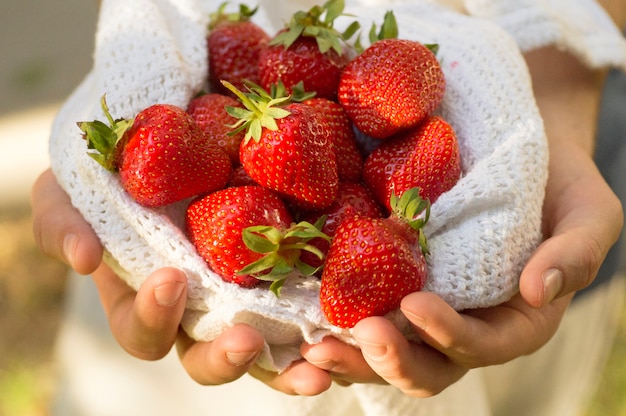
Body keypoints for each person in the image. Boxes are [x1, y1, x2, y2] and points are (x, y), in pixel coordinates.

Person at [31, 0, 626, 414]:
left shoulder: (375, 136)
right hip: (189, 280)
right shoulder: (221, 134)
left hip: (529, 191)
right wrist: (89, 166)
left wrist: (560, 98)